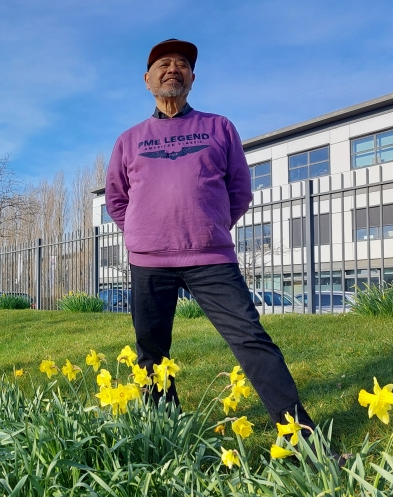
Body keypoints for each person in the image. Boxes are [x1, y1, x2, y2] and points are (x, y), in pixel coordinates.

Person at [105, 38, 315, 431]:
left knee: (252, 340)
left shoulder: (219, 127)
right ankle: (166, 435)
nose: (174, 69)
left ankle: (299, 438)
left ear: (192, 78)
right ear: (147, 80)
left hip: (211, 257)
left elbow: (239, 191)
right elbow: (117, 199)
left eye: (182, 64)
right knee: (151, 353)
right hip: (149, 262)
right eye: (164, 64)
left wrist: (208, 226)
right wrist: (141, 232)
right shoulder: (129, 140)